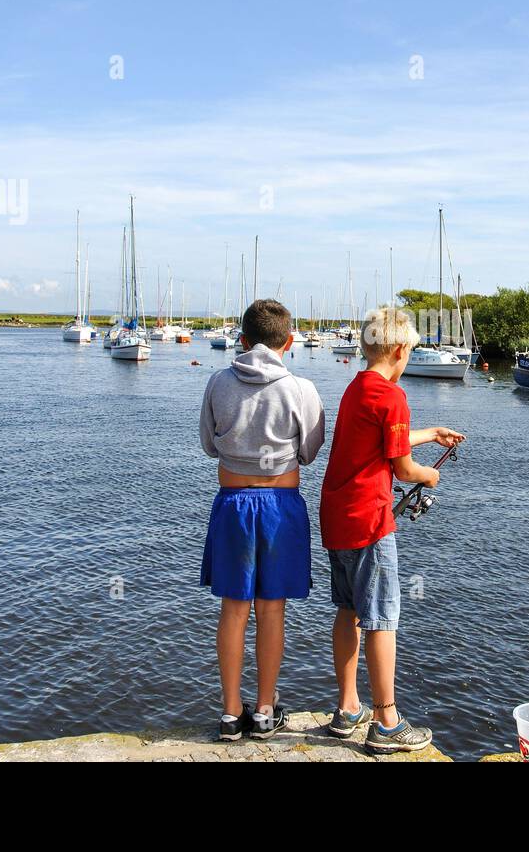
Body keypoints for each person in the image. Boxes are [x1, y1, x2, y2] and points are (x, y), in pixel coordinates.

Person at [319, 306, 465, 754]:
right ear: (401, 350)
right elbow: (402, 469)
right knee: (382, 619)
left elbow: (382, 441)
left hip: (337, 516)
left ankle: (347, 710)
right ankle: (387, 722)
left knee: (348, 610)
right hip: (370, 521)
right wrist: (429, 476)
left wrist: (429, 433)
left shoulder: (356, 389)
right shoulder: (393, 396)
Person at [199, 298, 325, 740]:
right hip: (280, 507)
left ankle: (232, 713)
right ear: (288, 342)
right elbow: (309, 453)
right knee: (272, 611)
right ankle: (267, 709)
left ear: (243, 339)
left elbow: (209, 445)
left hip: (232, 502)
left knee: (233, 609)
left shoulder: (217, 382)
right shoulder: (303, 390)